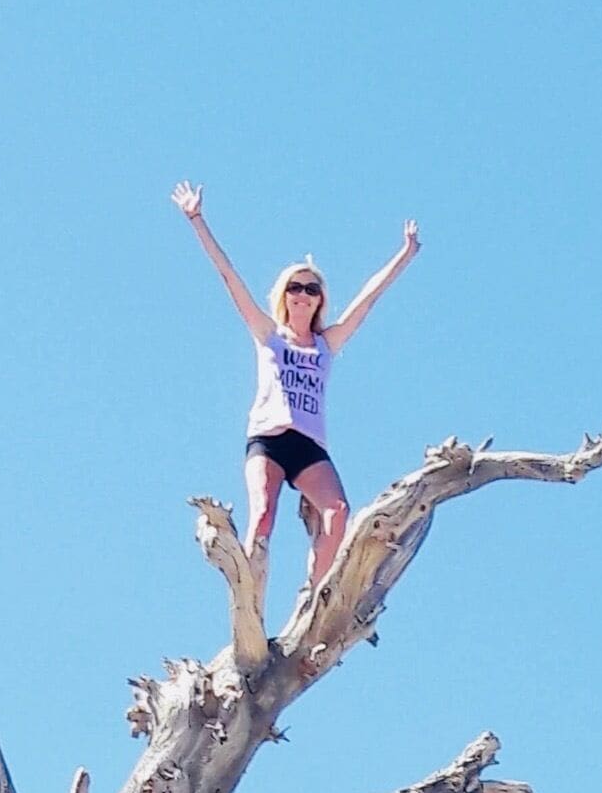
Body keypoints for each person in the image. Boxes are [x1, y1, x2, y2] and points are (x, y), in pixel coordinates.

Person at [172, 182, 420, 607]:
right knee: (263, 516)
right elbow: (229, 277)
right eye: (295, 287)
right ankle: (249, 600)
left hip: (309, 446)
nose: (303, 294)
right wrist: (197, 221)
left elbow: (369, 298)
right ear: (283, 295)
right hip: (269, 439)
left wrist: (405, 254)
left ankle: (315, 595)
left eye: (311, 289)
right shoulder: (269, 336)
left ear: (320, 299)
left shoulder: (327, 344)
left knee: (338, 512)